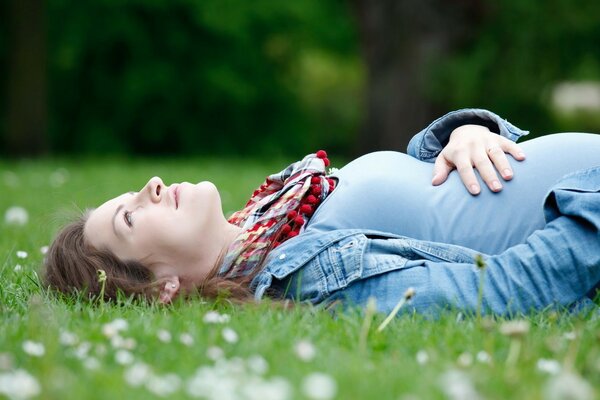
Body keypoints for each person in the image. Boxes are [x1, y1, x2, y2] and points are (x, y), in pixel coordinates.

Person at [43, 109, 600, 317]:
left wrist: (467, 133)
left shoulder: (284, 212)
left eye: (133, 194)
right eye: (132, 218)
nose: (152, 185)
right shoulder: (308, 279)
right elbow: (505, 291)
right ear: (161, 286)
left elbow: (424, 188)